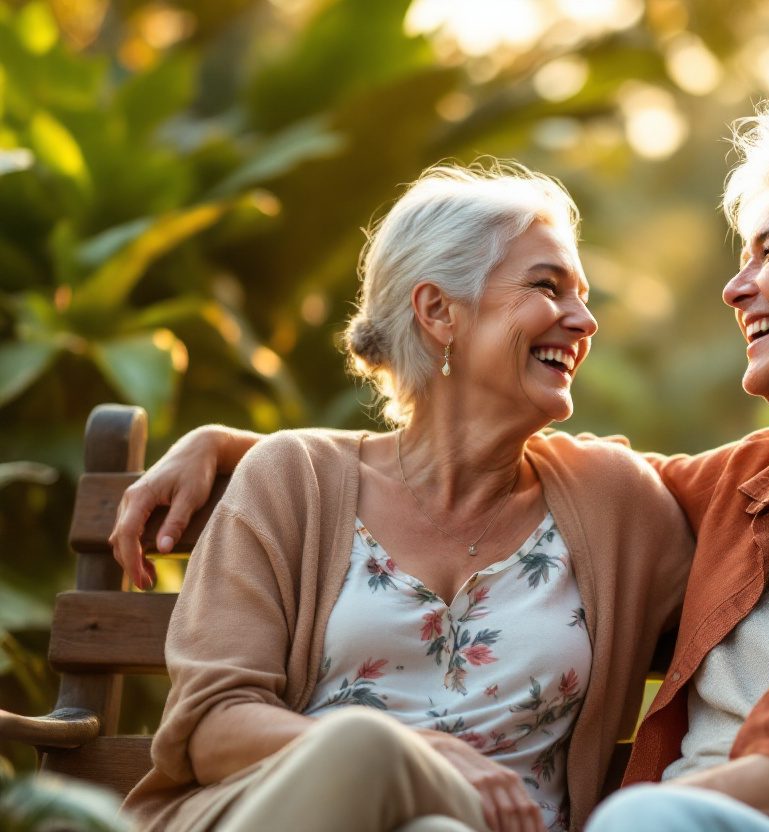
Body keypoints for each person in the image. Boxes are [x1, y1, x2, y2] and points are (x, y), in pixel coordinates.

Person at [114, 104, 769, 831]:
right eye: (548, 286)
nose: (734, 287)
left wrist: (676, 804)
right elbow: (424, 473)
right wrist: (247, 459)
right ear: (438, 312)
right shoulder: (753, 487)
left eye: (766, 251)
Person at [116, 163, 693, 832]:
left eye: (583, 296)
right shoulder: (292, 481)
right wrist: (412, 755)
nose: (585, 320)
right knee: (372, 754)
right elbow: (212, 726)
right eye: (547, 286)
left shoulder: (614, 502)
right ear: (439, 311)